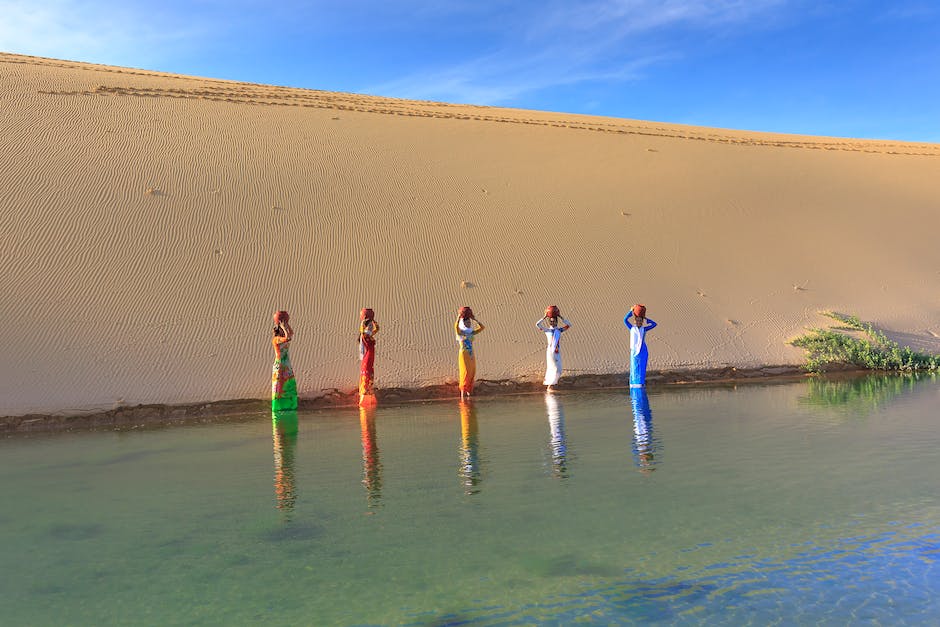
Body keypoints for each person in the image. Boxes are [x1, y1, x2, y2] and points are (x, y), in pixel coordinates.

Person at [536, 305, 572, 391]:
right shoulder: (547, 330)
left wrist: (560, 316)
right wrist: (545, 316)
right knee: (555, 368)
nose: (553, 323)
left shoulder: (559, 330)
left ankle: (552, 384)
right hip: (551, 352)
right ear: (549, 323)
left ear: (556, 322)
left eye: (554, 321)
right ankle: (550, 386)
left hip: (557, 351)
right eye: (551, 322)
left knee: (557, 368)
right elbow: (537, 325)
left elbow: (569, 325)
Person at [455, 306, 485, 399]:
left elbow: (482, 327)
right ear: (462, 323)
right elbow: (455, 326)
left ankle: (469, 393)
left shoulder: (470, 332)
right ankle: (462, 395)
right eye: (466, 322)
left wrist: (474, 319)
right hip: (463, 354)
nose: (468, 323)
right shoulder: (460, 333)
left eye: (469, 322)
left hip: (471, 354)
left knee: (472, 372)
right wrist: (459, 317)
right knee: (465, 372)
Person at [624, 304, 657, 387]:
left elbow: (654, 324)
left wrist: (646, 319)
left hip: (643, 350)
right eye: (637, 321)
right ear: (635, 321)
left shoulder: (644, 329)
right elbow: (625, 320)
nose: (639, 322)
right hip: (634, 350)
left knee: (642, 367)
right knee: (634, 365)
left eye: (640, 321)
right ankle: (634, 382)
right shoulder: (631, 328)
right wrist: (631, 312)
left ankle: (640, 382)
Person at [271, 310, 297, 410]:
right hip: (280, 364)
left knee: (288, 383)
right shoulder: (276, 339)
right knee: (280, 384)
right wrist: (283, 327)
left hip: (286, 363)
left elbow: (291, 333)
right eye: (283, 329)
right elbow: (288, 338)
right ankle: (279, 406)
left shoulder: (282, 336)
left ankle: (289, 404)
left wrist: (286, 324)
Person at [358, 308, 380, 407]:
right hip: (368, 356)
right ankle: (369, 396)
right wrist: (372, 321)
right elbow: (376, 329)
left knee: (367, 372)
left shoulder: (366, 335)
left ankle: (366, 397)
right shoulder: (366, 335)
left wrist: (368, 321)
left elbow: (368, 330)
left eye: (361, 315)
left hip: (368, 356)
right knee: (368, 372)